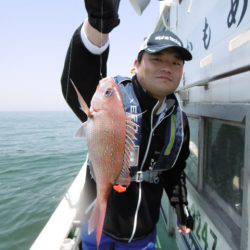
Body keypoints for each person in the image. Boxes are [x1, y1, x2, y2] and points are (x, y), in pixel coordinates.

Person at [61, 1, 194, 249]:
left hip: (143, 236)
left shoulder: (179, 122)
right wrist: (99, 24)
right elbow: (75, 82)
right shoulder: (114, 100)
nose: (167, 67)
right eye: (157, 58)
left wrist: (181, 208)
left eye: (176, 63)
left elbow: (174, 173)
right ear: (136, 64)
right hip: (99, 227)